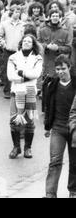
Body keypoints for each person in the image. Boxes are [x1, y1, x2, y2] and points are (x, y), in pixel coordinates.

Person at [44, 55, 76, 198]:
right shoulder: (52, 85)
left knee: (75, 162)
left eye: (63, 68)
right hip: (58, 128)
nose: (60, 72)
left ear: (69, 67)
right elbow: (47, 106)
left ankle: (73, 191)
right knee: (55, 161)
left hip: (74, 129)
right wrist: (47, 126)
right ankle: (50, 193)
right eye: (57, 69)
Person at [7, 35, 43, 159]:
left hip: (30, 91)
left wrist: (21, 72)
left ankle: (28, 148)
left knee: (29, 121)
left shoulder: (37, 58)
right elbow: (10, 76)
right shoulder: (13, 57)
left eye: (29, 41)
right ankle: (16, 147)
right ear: (21, 43)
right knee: (14, 120)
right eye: (25, 41)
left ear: (33, 44)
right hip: (16, 91)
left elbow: (36, 74)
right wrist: (26, 77)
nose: (26, 43)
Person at [0, 5, 26, 98]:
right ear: (11, 12)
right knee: (6, 70)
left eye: (19, 12)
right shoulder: (5, 24)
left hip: (19, 51)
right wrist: (3, 44)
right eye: (16, 12)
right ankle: (7, 90)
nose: (17, 14)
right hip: (8, 50)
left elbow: (25, 37)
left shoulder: (23, 25)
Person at [38, 9, 72, 80]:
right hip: (45, 62)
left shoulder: (65, 32)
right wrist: (46, 46)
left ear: (60, 18)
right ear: (50, 17)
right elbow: (38, 44)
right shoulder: (42, 30)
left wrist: (58, 48)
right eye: (53, 16)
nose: (55, 17)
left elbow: (68, 48)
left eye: (57, 16)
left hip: (59, 65)